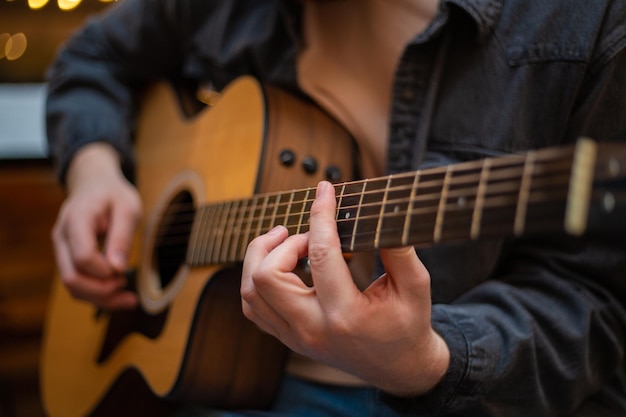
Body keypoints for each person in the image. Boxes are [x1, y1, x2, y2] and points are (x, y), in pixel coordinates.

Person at [45, 0, 626, 416]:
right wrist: (93, 171)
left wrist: (426, 360)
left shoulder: (590, 19)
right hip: (222, 376)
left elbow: (596, 303)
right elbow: (91, 58)